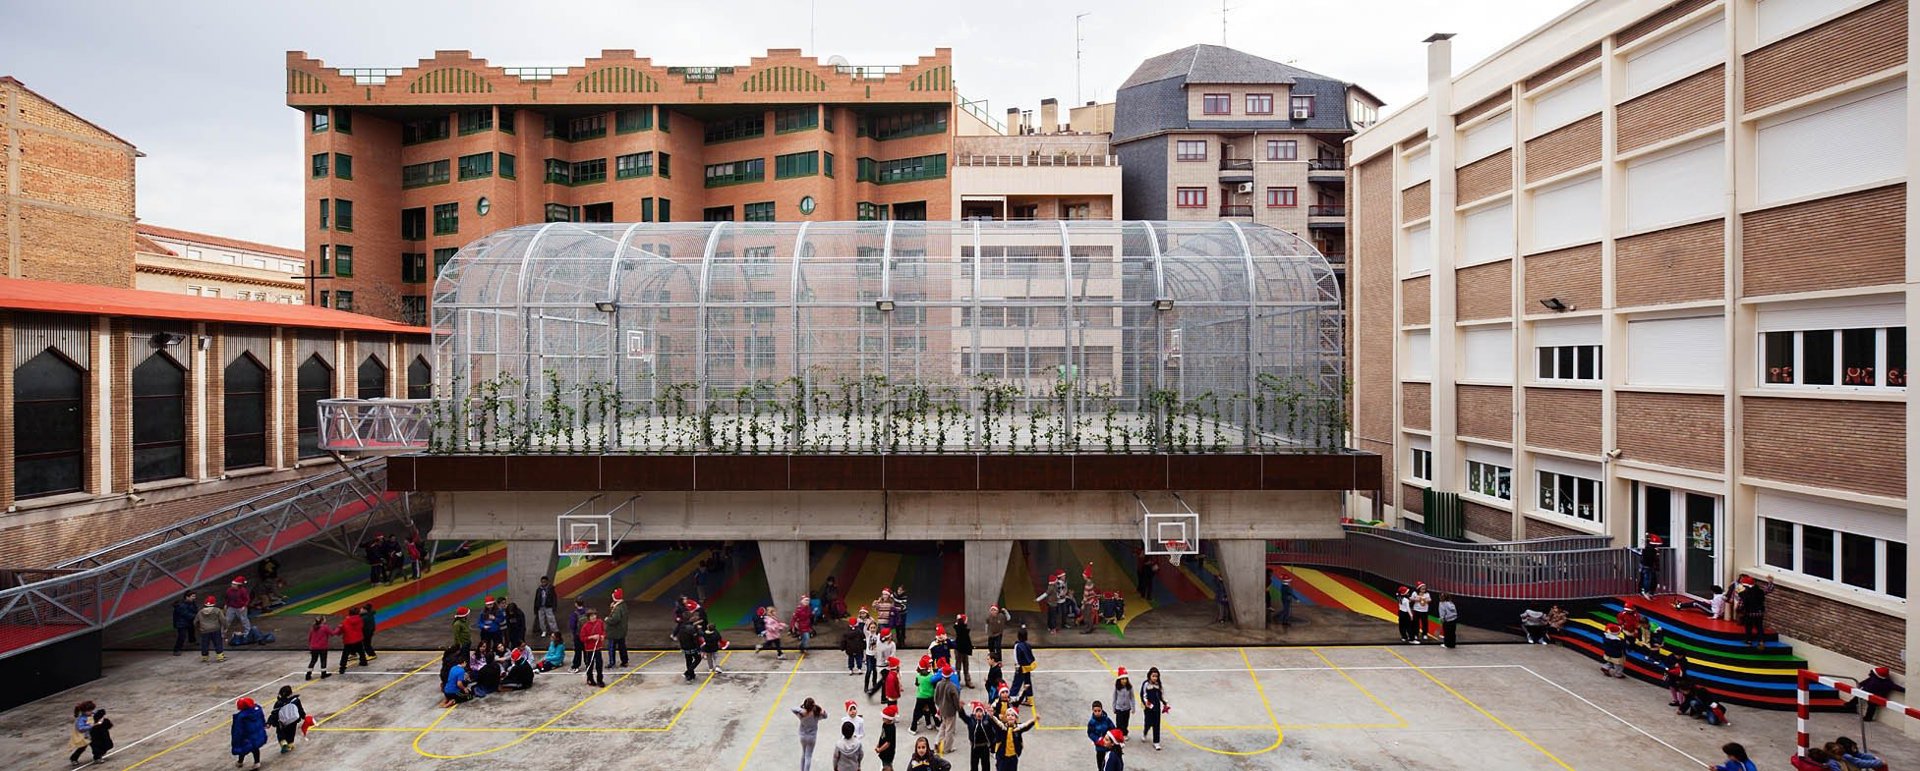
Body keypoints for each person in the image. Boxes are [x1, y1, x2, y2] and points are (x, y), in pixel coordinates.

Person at [988, 705, 1037, 770]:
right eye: (1008, 715)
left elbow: (1026, 726)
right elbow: (996, 722)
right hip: (1002, 756)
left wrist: (1034, 720)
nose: (1010, 717)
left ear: (1016, 718)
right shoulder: (1002, 727)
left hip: (1013, 757)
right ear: (1006, 718)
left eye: (1012, 715)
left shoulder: (1018, 728)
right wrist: (991, 716)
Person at [1735, 575, 1774, 650]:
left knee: (1748, 627)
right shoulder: (1760, 591)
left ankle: (1748, 641)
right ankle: (1761, 642)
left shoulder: (1743, 593)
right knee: (1759, 627)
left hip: (1749, 613)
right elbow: (1768, 590)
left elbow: (1741, 603)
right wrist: (1770, 582)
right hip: (1759, 613)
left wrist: (1738, 611)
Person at [230, 696, 268, 769]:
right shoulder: (257, 710)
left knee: (243, 748)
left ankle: (240, 762)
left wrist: (236, 739)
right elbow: (262, 719)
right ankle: (257, 762)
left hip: (246, 737)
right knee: (255, 748)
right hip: (256, 734)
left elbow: (238, 730)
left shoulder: (241, 717)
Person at [958, 701, 995, 771]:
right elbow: (963, 716)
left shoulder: (987, 720)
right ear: (974, 713)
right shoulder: (970, 720)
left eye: (980, 711)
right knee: (974, 765)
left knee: (986, 765)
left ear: (983, 712)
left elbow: (993, 731)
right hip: (975, 747)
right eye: (977, 711)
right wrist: (961, 709)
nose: (979, 713)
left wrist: (991, 714)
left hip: (985, 747)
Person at [793, 698, 828, 771]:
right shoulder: (816, 715)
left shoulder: (801, 715)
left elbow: (793, 709)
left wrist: (802, 710)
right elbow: (825, 716)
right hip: (812, 737)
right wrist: (821, 711)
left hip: (803, 736)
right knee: (808, 756)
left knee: (803, 754)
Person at [268, 685, 305, 754]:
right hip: (293, 721)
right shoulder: (295, 700)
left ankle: (283, 743)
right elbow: (300, 709)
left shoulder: (278, 703)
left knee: (280, 733)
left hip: (282, 722)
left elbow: (274, 714)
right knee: (291, 733)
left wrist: (269, 722)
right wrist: (304, 716)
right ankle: (290, 745)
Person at [934, 664, 962, 753]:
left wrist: (939, 706)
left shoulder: (938, 684)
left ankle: (937, 743)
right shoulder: (952, 686)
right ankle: (947, 748)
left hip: (942, 710)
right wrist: (958, 709)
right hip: (950, 711)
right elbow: (956, 700)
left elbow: (935, 698)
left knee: (943, 727)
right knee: (949, 729)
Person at [1139, 667, 1165, 751]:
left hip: (1157, 708)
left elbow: (1161, 695)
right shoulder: (1146, 684)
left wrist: (1165, 702)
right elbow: (1143, 695)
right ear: (1149, 676)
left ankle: (1156, 742)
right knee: (1148, 723)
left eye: (1156, 676)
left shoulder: (1158, 685)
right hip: (1148, 708)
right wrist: (1146, 703)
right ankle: (1145, 732)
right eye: (1153, 676)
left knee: (1156, 724)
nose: (1155, 678)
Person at [304, 616, 338, 681]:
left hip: (313, 647)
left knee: (313, 660)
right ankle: (323, 674)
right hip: (322, 647)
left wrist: (311, 646)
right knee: (323, 660)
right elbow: (332, 633)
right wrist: (338, 628)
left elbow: (310, 638)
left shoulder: (313, 628)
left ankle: (308, 674)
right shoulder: (325, 627)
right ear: (322, 621)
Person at [580, 609, 607, 687]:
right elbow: (582, 638)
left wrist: (603, 636)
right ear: (588, 617)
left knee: (599, 664)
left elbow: (603, 631)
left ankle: (600, 680)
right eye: (592, 616)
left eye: (595, 615)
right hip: (589, 649)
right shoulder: (585, 626)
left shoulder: (600, 622)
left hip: (598, 647)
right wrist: (591, 637)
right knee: (590, 665)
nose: (594, 617)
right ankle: (590, 679)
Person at [197, 595, 228, 663]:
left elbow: (196, 621)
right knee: (218, 643)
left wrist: (199, 628)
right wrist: (225, 627)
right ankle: (220, 657)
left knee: (205, 644)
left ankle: (204, 657)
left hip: (204, 630)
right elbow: (223, 619)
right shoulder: (217, 610)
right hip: (215, 629)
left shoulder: (200, 611)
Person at [1085, 701, 1115, 770]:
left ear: (1102, 710)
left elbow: (1113, 729)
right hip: (1099, 747)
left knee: (1109, 762)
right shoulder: (1092, 722)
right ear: (1092, 711)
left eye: (1099, 710)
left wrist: (1109, 737)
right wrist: (1097, 739)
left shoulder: (1107, 719)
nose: (1097, 713)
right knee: (1100, 763)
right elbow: (1090, 733)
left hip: (1108, 745)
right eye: (1095, 711)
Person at [606, 589, 631, 669]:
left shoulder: (617, 608)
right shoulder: (623, 605)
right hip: (621, 631)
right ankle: (625, 661)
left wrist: (607, 619)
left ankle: (612, 662)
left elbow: (615, 619)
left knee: (611, 648)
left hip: (614, 632)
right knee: (622, 647)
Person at [338, 607, 367, 674]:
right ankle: (363, 661)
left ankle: (342, 667)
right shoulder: (360, 619)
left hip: (349, 639)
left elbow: (342, 629)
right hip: (358, 637)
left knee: (345, 654)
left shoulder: (346, 621)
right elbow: (361, 626)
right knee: (361, 651)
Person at [1010, 628, 1035, 706]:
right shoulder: (1027, 645)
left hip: (1021, 667)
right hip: (1028, 667)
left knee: (1016, 683)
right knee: (1027, 682)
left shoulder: (1017, 645)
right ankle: (1029, 699)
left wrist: (1017, 666)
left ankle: (1012, 698)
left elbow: (1016, 657)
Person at [67, 701, 95, 767]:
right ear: (84, 711)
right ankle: (73, 758)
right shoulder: (81, 719)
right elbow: (80, 728)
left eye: (92, 710)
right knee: (82, 748)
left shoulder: (91, 714)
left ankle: (98, 755)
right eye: (89, 710)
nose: (91, 712)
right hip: (85, 736)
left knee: (94, 745)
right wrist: (91, 726)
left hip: (91, 734)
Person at [952, 614, 975, 688]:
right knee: (958, 666)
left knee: (966, 665)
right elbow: (959, 629)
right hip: (959, 649)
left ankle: (967, 680)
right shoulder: (960, 628)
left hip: (964, 649)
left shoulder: (963, 628)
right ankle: (957, 681)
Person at [1110, 668, 1134, 735]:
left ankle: (1125, 733)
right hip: (1119, 708)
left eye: (1125, 679)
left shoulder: (1129, 687)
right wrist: (1114, 707)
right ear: (1119, 680)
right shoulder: (1117, 687)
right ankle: (1118, 735)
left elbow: (1132, 698)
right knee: (1119, 723)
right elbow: (1114, 697)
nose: (1124, 681)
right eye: (1122, 679)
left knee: (1125, 722)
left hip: (1127, 708)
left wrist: (1133, 707)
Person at [876, 704, 899, 771]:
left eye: (884, 718)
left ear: (889, 719)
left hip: (888, 753)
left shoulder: (891, 728)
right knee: (884, 763)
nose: (882, 719)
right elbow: (882, 735)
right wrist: (878, 744)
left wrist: (879, 749)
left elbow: (888, 743)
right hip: (883, 751)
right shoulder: (885, 724)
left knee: (887, 765)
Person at [1639, 534, 1663, 598]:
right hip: (1649, 566)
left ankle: (1646, 592)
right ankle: (1646, 592)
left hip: (1646, 566)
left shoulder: (1646, 549)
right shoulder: (1652, 550)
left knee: (1648, 579)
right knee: (1648, 580)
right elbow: (1653, 559)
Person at [568, 599, 589, 672]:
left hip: (578, 635)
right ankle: (588, 664)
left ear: (576, 604)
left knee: (578, 651)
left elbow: (572, 625)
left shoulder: (574, 614)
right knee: (586, 650)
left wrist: (574, 633)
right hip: (586, 635)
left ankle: (576, 666)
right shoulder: (587, 612)